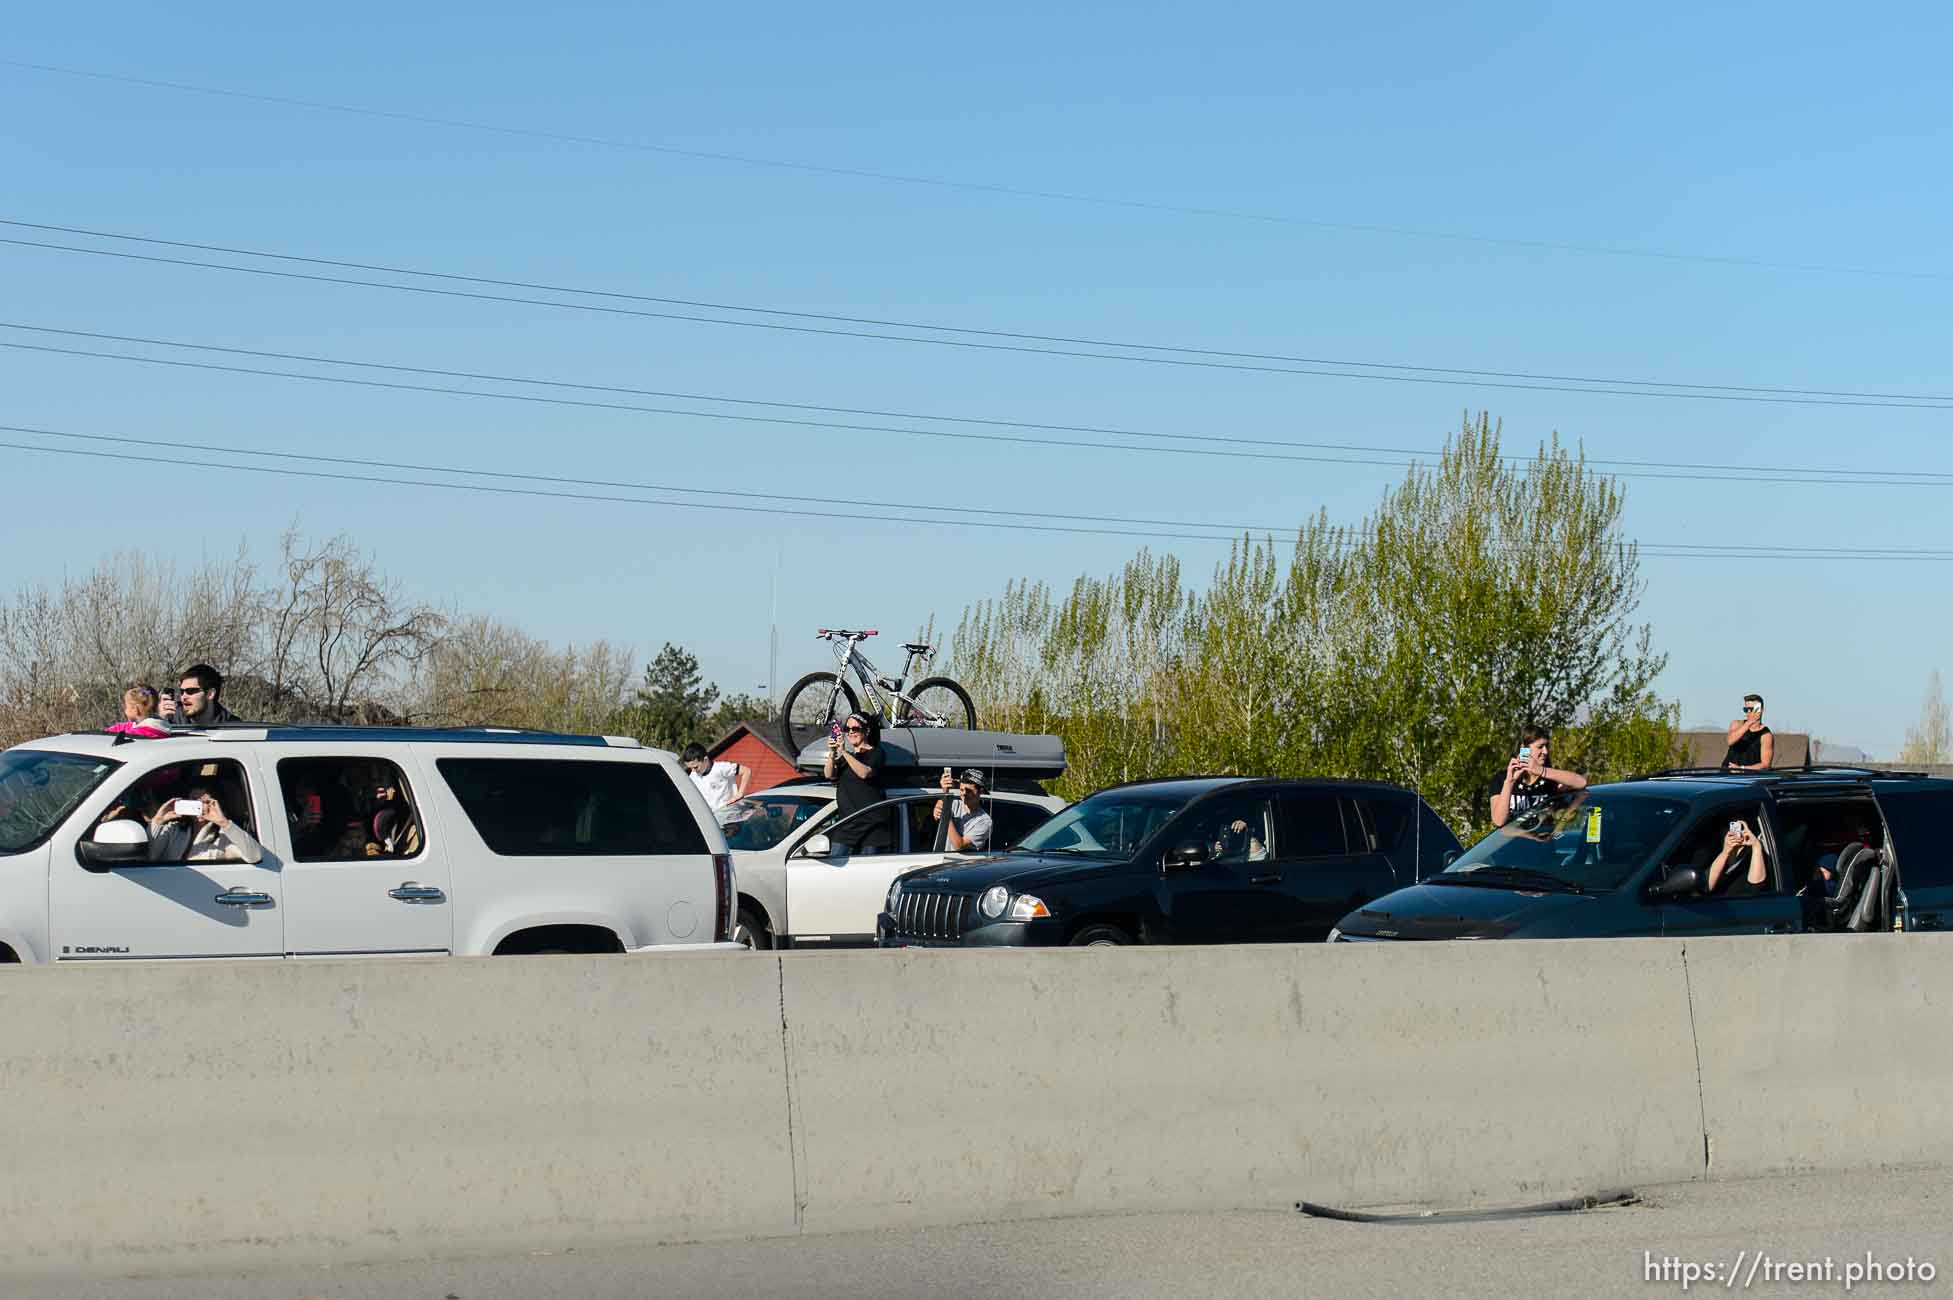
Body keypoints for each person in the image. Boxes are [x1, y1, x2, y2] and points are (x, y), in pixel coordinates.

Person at [1490, 725, 1589, 828]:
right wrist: (1509, 782)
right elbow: (1499, 821)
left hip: (1544, 842)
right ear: (1524, 749)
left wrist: (1541, 770)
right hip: (1514, 843)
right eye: (1540, 747)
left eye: (1547, 746)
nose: (1545, 752)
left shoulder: (1550, 779)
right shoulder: (1501, 779)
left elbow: (1581, 782)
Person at [823, 712, 890, 853]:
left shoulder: (876, 753)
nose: (851, 732)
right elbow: (829, 774)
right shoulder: (846, 758)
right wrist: (833, 753)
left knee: (866, 871)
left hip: (871, 826)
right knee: (835, 868)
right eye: (847, 729)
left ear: (867, 730)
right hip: (847, 824)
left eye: (856, 728)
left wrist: (844, 751)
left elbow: (864, 772)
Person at [146, 786, 263, 864]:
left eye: (206, 802)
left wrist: (223, 823)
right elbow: (149, 857)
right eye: (194, 800)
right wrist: (157, 820)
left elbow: (255, 856)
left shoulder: (224, 836)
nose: (199, 805)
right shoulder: (174, 828)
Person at [932, 768, 994, 853]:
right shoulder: (954, 804)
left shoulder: (985, 821)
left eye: (969, 791)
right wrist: (945, 791)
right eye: (961, 789)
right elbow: (937, 815)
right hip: (939, 859)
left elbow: (959, 845)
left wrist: (946, 815)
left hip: (962, 864)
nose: (964, 794)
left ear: (981, 791)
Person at [157, 664, 240, 727]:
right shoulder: (171, 720)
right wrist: (158, 721)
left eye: (191, 691)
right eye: (182, 691)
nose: (183, 697)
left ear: (210, 694)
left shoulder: (233, 727)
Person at [680, 743, 750, 813]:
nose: (693, 771)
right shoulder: (692, 777)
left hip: (732, 812)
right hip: (714, 817)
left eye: (695, 767)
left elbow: (746, 771)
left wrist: (740, 794)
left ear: (705, 760)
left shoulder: (721, 768)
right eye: (690, 768)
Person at [1705, 819, 1769, 894]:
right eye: (1732, 826)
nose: (1735, 831)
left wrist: (1756, 846)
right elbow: (1706, 886)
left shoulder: (1755, 856)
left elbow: (1755, 890)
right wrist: (1725, 852)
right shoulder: (1711, 853)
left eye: (1740, 827)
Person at [1723, 694, 1775, 771]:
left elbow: (1765, 764)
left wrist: (1741, 769)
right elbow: (1730, 741)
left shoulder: (1766, 735)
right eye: (1746, 709)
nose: (1748, 712)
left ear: (1761, 710)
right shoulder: (1737, 724)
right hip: (1726, 774)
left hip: (1749, 777)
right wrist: (1748, 723)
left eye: (1752, 709)